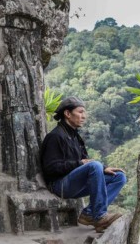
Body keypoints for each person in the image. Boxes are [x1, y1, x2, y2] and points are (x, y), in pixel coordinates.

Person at [40, 97, 127, 233]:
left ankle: (89, 213)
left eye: (84, 113)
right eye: (80, 112)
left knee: (119, 177)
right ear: (67, 114)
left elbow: (85, 160)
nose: (84, 116)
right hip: (59, 185)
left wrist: (104, 169)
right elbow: (50, 169)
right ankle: (99, 216)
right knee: (95, 166)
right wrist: (78, 164)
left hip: (75, 182)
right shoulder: (55, 136)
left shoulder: (75, 137)